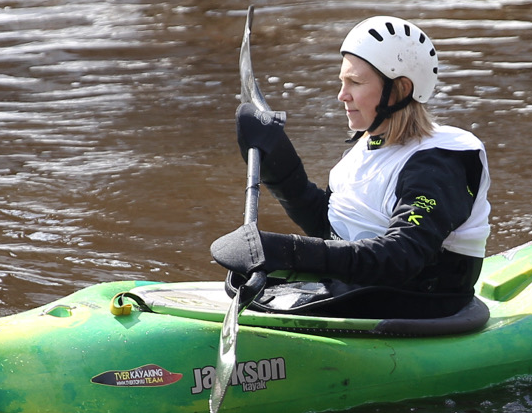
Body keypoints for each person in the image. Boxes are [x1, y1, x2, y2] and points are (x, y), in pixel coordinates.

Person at [210, 16, 491, 319]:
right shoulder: (368, 144)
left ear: (398, 90)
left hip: (423, 301)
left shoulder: (442, 161)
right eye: (342, 82)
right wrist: (279, 168)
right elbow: (333, 229)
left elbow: (402, 256)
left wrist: (284, 250)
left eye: (355, 83)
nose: (342, 95)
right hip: (369, 289)